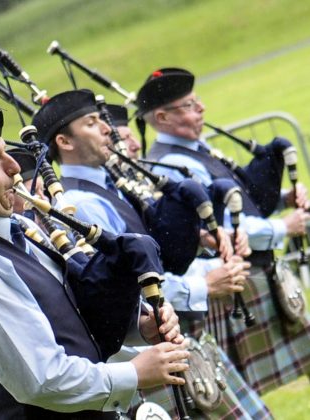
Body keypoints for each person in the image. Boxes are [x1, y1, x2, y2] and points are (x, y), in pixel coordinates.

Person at [0, 99, 189, 420]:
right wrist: (135, 373)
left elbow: (66, 319)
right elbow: (41, 379)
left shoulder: (22, 228)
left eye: (6, 151)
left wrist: (139, 328)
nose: (14, 166)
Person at [31, 89, 272, 419]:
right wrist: (202, 285)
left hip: (167, 337)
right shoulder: (82, 205)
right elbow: (125, 287)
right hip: (148, 352)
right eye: (91, 122)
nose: (106, 128)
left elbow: (151, 250)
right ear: (65, 142)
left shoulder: (109, 187)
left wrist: (201, 240)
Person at [137, 67, 310, 394]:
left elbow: (236, 207)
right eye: (188, 105)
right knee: (245, 396)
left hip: (254, 275)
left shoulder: (198, 149)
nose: (201, 109)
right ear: (161, 118)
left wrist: (283, 200)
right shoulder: (168, 164)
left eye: (196, 101)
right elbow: (223, 230)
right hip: (233, 287)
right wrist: (283, 226)